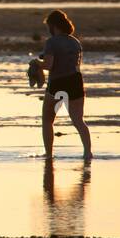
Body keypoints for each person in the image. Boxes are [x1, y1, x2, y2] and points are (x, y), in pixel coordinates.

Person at [39, 8, 92, 160]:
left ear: (53, 26)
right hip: (75, 81)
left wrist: (36, 63)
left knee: (48, 120)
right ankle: (88, 152)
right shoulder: (75, 42)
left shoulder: (51, 42)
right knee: (78, 120)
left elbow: (49, 65)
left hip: (58, 82)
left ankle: (49, 154)